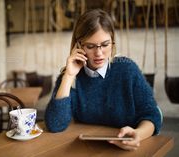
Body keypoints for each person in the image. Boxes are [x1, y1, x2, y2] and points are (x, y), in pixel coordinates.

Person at [45, 9, 162, 151]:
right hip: (88, 150)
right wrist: (69, 76)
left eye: (105, 44)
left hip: (127, 150)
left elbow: (152, 114)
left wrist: (138, 134)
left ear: (112, 42)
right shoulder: (71, 75)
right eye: (90, 46)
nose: (99, 53)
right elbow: (55, 124)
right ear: (78, 46)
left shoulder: (127, 69)